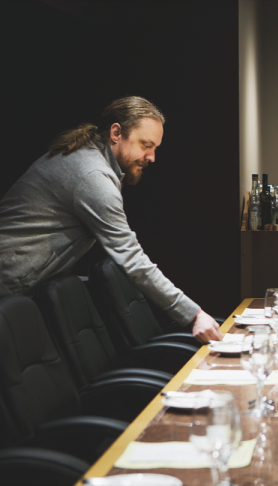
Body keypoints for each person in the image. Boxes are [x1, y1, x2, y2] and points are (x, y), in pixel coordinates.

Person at [0, 96, 222, 343]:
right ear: (116, 132)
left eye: (155, 147)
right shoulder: (92, 175)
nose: (152, 157)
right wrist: (194, 315)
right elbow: (131, 258)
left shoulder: (90, 158)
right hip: (7, 285)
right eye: (145, 145)